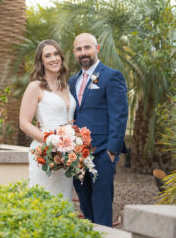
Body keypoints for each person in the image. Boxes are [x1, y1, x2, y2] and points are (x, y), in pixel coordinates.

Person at [68, 33, 128, 227]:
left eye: (87, 48)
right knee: (85, 206)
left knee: (101, 208)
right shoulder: (71, 81)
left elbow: (119, 115)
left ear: (97, 49)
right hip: (76, 155)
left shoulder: (112, 76)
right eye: (79, 49)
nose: (83, 53)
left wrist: (111, 152)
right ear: (74, 52)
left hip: (102, 152)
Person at [19, 39, 76, 201]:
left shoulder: (66, 86)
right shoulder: (35, 87)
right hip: (44, 153)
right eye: (48, 56)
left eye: (56, 54)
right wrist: (50, 139)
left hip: (66, 155)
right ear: (41, 61)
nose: (53, 59)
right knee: (42, 202)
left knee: (63, 201)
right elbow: (24, 123)